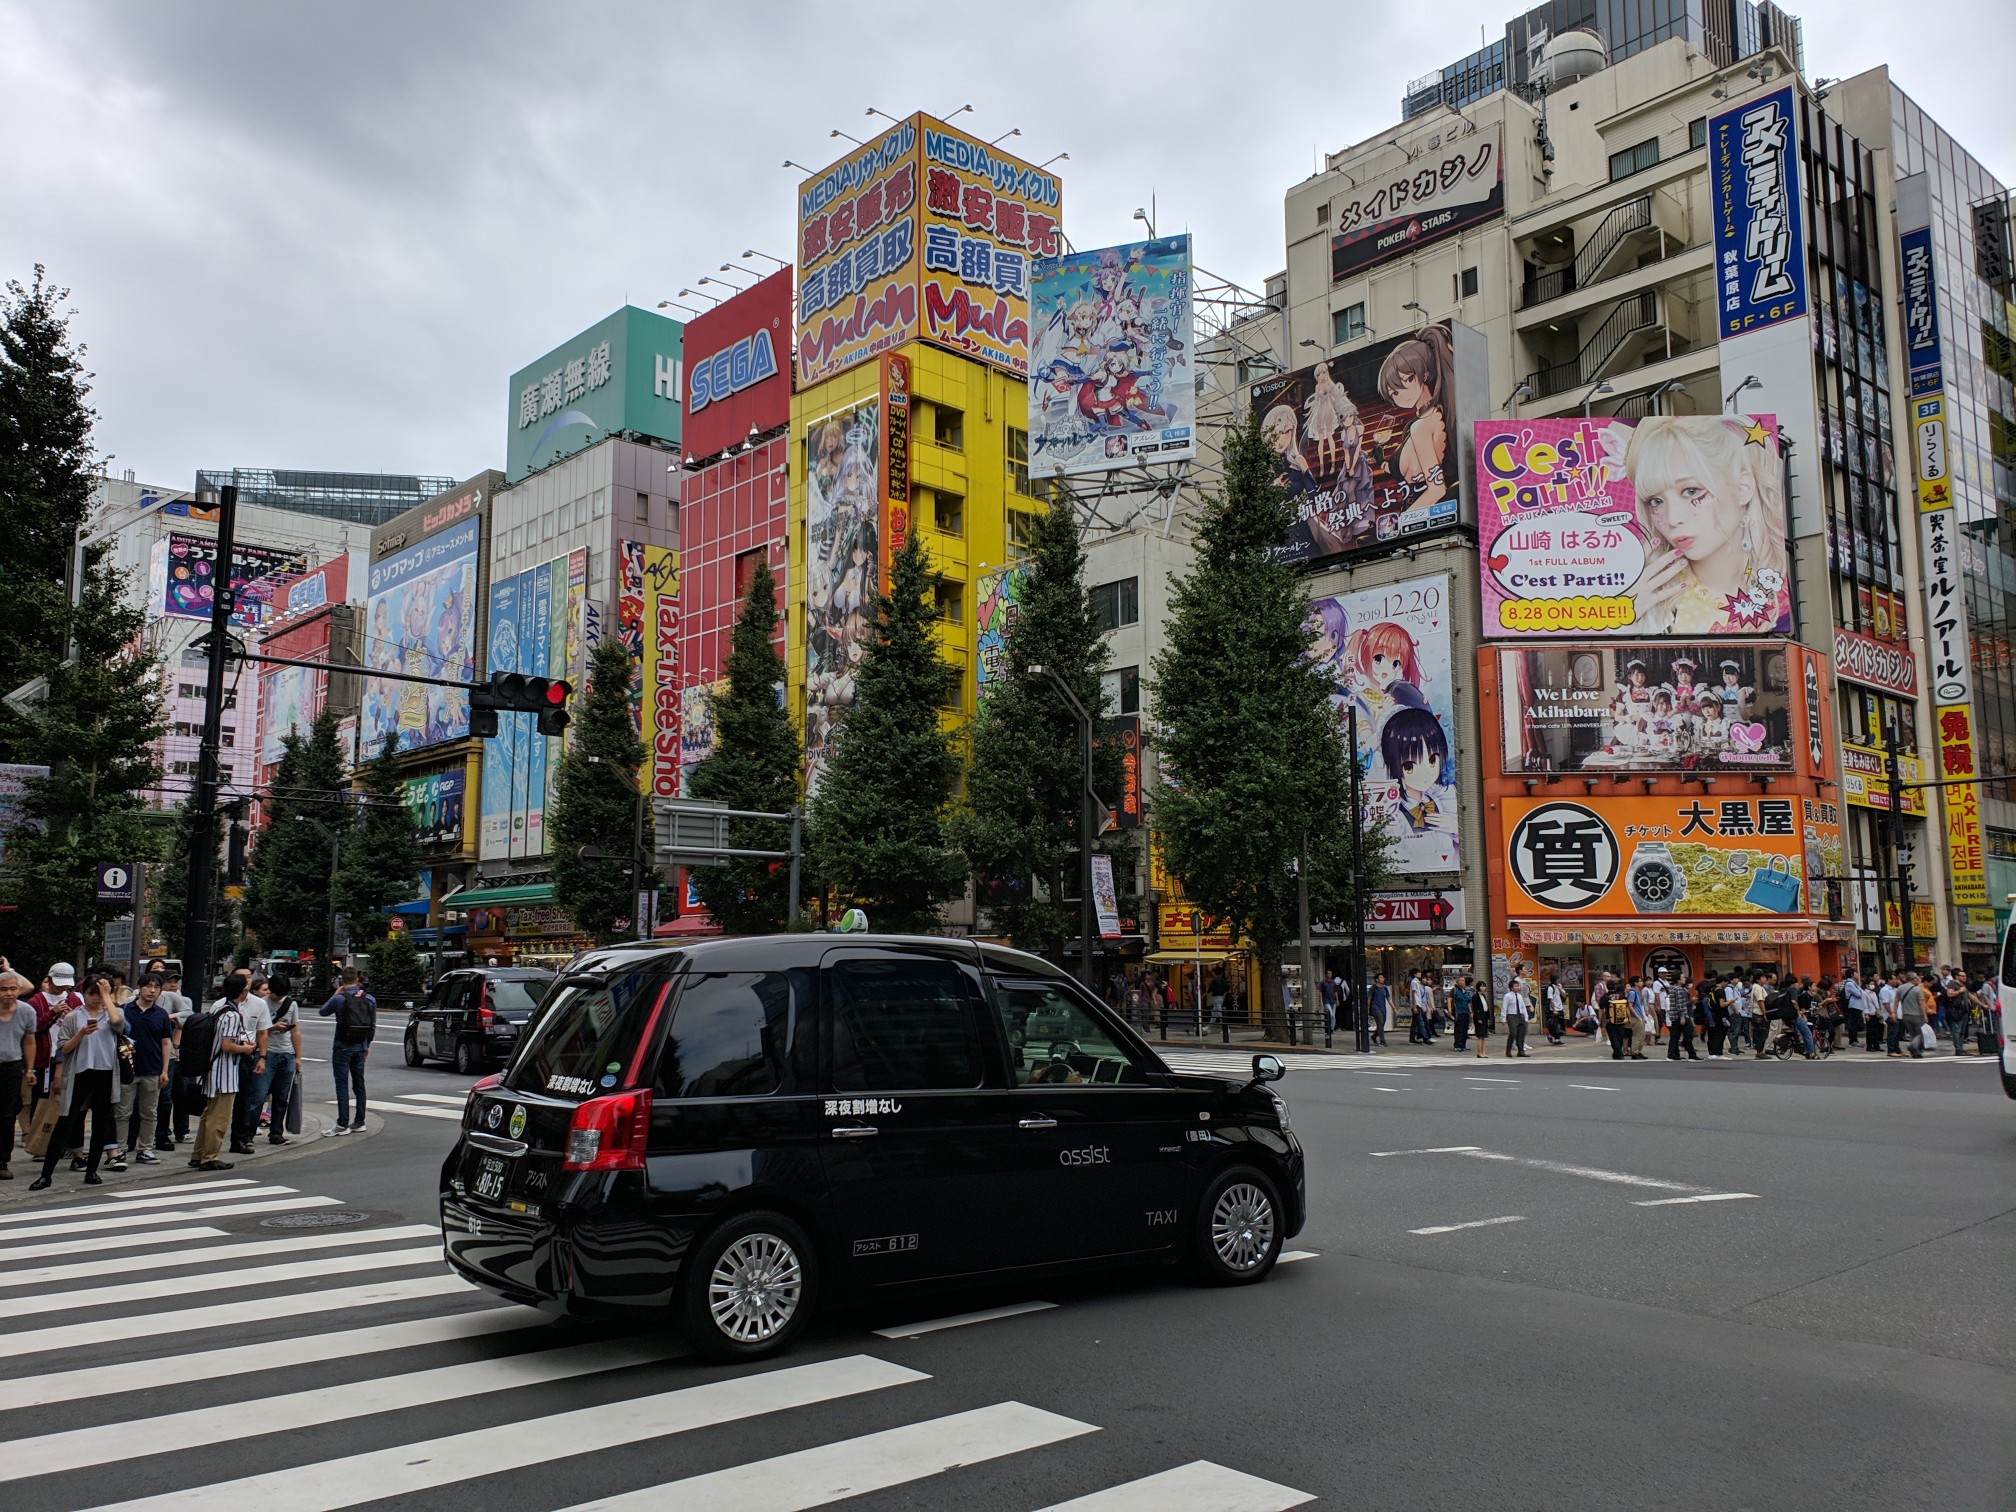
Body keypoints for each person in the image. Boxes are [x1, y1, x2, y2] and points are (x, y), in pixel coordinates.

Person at [30, 971, 126, 1190]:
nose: (97, 998)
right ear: (84, 994)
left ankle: (92, 1171)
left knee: (101, 1123)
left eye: (101, 993)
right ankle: (46, 1175)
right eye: (92, 993)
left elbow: (118, 1024)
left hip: (105, 1073)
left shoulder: (113, 1012)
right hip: (79, 1074)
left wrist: (107, 996)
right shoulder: (74, 1016)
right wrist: (81, 1034)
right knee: (65, 1123)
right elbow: (62, 1048)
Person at [191, 972, 256, 1169]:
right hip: (224, 1073)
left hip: (211, 1068)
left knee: (208, 1114)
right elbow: (227, 1045)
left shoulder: (219, 1009)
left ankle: (198, 1153)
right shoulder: (232, 1014)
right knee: (219, 1117)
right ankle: (210, 1156)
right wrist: (245, 1048)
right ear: (242, 990)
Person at [118, 972, 173, 1165]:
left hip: (152, 1070)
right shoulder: (125, 1010)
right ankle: (120, 1149)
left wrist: (164, 1070)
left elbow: (166, 1043)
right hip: (128, 1070)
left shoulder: (161, 1014)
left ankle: (145, 1149)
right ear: (139, 988)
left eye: (156, 987)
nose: (152, 991)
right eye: (148, 986)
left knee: (149, 1112)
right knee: (122, 1112)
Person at [321, 967, 377, 1132]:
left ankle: (342, 1123)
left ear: (342, 980)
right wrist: (367, 1045)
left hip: (342, 1046)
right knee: (359, 1083)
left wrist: (336, 993)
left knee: (342, 1084)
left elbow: (323, 1011)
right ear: (358, 980)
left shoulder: (339, 999)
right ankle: (360, 1121)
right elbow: (372, 1026)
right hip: (360, 1046)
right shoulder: (369, 999)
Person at [229, 976, 276, 1154]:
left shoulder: (258, 1004)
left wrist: (262, 1057)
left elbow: (262, 1032)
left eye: (249, 978)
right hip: (227, 1059)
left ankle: (242, 1138)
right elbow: (224, 1043)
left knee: (245, 1099)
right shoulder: (224, 1008)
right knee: (222, 1104)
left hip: (249, 1057)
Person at [26, 963, 82, 1105]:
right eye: (58, 984)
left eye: (64, 985)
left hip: (69, 1056)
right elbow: (33, 1029)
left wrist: (71, 1017)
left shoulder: (74, 999)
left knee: (68, 1102)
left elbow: (82, 1026)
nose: (61, 988)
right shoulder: (36, 1001)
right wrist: (52, 1012)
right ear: (49, 979)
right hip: (45, 1059)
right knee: (40, 1102)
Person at [0, 970, 37, 1179]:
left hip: (12, 1066)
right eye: (3, 989)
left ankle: (3, 1161)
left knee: (7, 1116)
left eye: (13, 989)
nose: (9, 994)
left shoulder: (26, 1011)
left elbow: (29, 1041)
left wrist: (29, 1070)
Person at [1665, 975, 1700, 1060]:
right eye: (1683, 978)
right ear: (1678, 980)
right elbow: (1681, 1004)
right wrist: (1682, 1016)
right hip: (1681, 1015)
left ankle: (1672, 1054)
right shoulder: (1679, 989)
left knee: (1675, 1036)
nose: (1685, 979)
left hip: (1673, 1015)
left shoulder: (1673, 988)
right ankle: (1692, 1054)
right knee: (1688, 1034)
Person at [1895, 972, 1929, 1059]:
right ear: (1913, 979)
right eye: (1917, 978)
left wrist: (1894, 1012)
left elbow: (1896, 1001)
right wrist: (1925, 1015)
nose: (1918, 980)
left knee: (1912, 1033)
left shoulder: (1900, 988)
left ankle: (1915, 1052)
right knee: (1920, 1034)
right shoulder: (1917, 990)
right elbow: (1922, 1003)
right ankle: (1913, 1046)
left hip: (1905, 1014)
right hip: (1917, 1014)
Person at [1602, 976, 1635, 1060]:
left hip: (1610, 1019)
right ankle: (1618, 1052)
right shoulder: (1621, 995)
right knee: (1620, 1036)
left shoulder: (1605, 996)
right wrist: (1628, 1018)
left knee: (1613, 1037)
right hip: (1621, 1019)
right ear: (1615, 986)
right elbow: (1626, 1006)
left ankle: (1618, 1053)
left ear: (1607, 986)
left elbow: (1602, 1009)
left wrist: (1601, 1020)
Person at [1500, 976, 1531, 1057]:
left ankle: (1521, 1051)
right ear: (1511, 987)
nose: (1518, 987)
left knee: (1521, 1034)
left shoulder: (1519, 996)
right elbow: (1504, 1007)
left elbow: (1523, 1007)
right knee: (1513, 1033)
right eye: (1516, 986)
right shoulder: (1507, 996)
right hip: (1512, 1016)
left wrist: (1526, 1017)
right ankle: (1508, 1050)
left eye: (1518, 986)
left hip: (1520, 1015)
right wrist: (1503, 1018)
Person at [1449, 975, 1474, 1051]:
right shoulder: (1454, 990)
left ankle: (1463, 1045)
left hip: (1466, 1012)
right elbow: (1449, 999)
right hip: (1458, 1012)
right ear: (1457, 982)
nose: (1461, 982)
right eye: (1460, 980)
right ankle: (1457, 1045)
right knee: (1459, 1029)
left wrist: (1471, 1012)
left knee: (1465, 1029)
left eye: (1463, 980)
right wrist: (1450, 1010)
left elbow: (1468, 1002)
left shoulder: (1466, 991)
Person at [1368, 974, 1390, 1047]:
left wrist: (1394, 1008)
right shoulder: (1373, 988)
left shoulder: (1385, 989)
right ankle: (1382, 1041)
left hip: (1383, 1008)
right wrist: (1368, 1007)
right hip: (1375, 1007)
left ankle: (1374, 1036)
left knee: (1382, 1024)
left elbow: (1389, 999)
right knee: (1380, 1023)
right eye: (1381, 977)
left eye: (1383, 977)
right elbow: (1369, 998)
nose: (1383, 978)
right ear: (1377, 979)